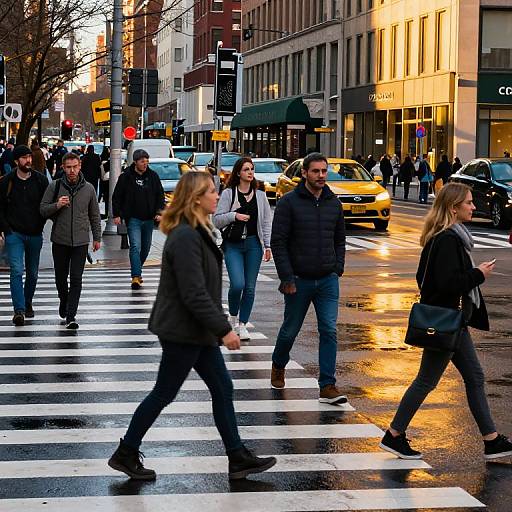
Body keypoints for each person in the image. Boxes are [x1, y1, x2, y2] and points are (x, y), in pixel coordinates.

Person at [107, 171, 276, 481]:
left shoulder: (200, 230)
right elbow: (193, 292)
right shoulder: (186, 236)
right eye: (212, 191)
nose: (217, 195)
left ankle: (237, 456)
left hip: (196, 330)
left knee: (222, 388)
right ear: (197, 198)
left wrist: (217, 326)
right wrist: (224, 329)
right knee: (164, 393)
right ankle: (126, 452)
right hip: (183, 330)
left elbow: (203, 289)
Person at [380, 183, 512, 461]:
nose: (473, 207)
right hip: (444, 321)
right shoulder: (448, 240)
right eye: (468, 203)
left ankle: (491, 440)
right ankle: (394, 434)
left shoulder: (444, 237)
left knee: (474, 377)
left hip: (452, 320)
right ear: (453, 208)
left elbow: (423, 278)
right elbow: (448, 283)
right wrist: (478, 274)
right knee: (426, 380)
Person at [270, 152, 347, 404]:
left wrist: (338, 267)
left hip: (327, 279)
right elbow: (278, 242)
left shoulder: (333, 203)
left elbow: (339, 239)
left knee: (329, 330)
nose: (321, 176)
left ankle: (327, 385)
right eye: (315, 171)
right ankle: (279, 363)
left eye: (324, 171)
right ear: (304, 173)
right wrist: (287, 277)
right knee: (290, 331)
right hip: (298, 279)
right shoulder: (289, 203)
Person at [213, 157, 272, 341]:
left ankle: (243, 324)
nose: (250, 172)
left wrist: (268, 245)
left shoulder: (260, 195)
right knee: (238, 284)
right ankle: (232, 317)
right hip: (234, 245)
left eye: (252, 169)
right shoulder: (229, 194)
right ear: (238, 173)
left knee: (250, 287)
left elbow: (266, 222)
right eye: (246, 169)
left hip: (254, 244)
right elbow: (216, 219)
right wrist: (234, 215)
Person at [40, 152, 101, 329]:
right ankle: (63, 301)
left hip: (81, 241)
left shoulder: (89, 188)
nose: (72, 170)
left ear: (80, 166)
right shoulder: (55, 186)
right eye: (68, 167)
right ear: (63, 167)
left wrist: (96, 237)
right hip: (60, 239)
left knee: (76, 278)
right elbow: (43, 209)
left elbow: (95, 215)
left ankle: (71, 315)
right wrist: (57, 205)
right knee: (60, 278)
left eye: (75, 167)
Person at [0, 145, 48, 326]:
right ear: (16, 161)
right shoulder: (7, 181)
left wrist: (41, 223)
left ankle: (27, 302)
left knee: (33, 273)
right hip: (15, 234)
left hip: (35, 233)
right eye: (24, 158)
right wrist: (6, 229)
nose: (28, 160)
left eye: (29, 157)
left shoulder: (40, 181)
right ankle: (19, 310)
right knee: (17, 271)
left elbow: (46, 205)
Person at [112, 149, 165, 289]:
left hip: (149, 219)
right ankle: (135, 276)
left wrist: (159, 212)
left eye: (147, 161)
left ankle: (138, 270)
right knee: (135, 246)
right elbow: (117, 196)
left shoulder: (153, 176)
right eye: (142, 161)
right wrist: (117, 214)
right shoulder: (126, 177)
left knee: (146, 248)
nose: (145, 164)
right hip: (133, 218)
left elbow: (160, 195)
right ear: (135, 162)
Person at [98, 147, 110, 219]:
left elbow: (102, 175)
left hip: (104, 182)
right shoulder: (109, 163)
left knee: (106, 199)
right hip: (108, 182)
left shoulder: (102, 163)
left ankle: (106, 213)